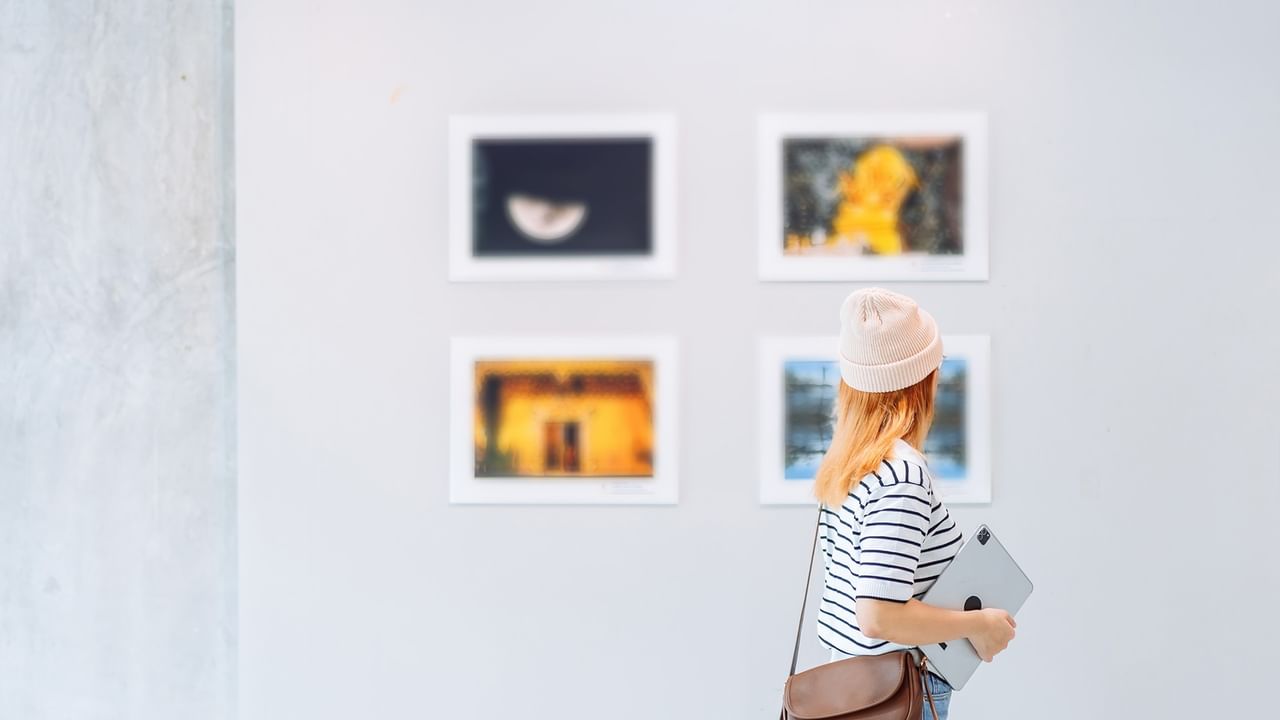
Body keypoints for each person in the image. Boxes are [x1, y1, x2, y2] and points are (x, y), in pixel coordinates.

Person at [813, 287, 1016, 720]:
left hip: (847, 688)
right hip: (894, 695)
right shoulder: (902, 475)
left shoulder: (849, 468)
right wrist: (980, 624)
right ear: (921, 382)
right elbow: (878, 615)